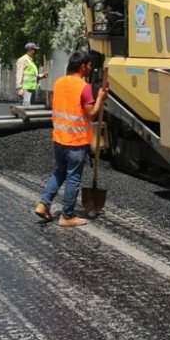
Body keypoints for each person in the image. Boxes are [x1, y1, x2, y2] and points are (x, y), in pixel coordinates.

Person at [35, 51, 108, 227]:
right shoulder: (84, 87)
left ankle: (43, 204)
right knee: (73, 178)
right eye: (89, 66)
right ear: (83, 67)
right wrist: (100, 98)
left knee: (59, 172)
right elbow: (90, 114)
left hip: (59, 139)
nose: (91, 69)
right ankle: (67, 216)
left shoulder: (59, 83)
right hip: (76, 142)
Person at [15, 42, 47, 106]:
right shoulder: (23, 60)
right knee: (26, 109)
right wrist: (19, 89)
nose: (36, 52)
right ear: (30, 50)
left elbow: (33, 76)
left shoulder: (30, 61)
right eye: (34, 50)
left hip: (31, 89)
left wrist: (42, 76)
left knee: (30, 110)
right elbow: (19, 74)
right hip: (25, 90)